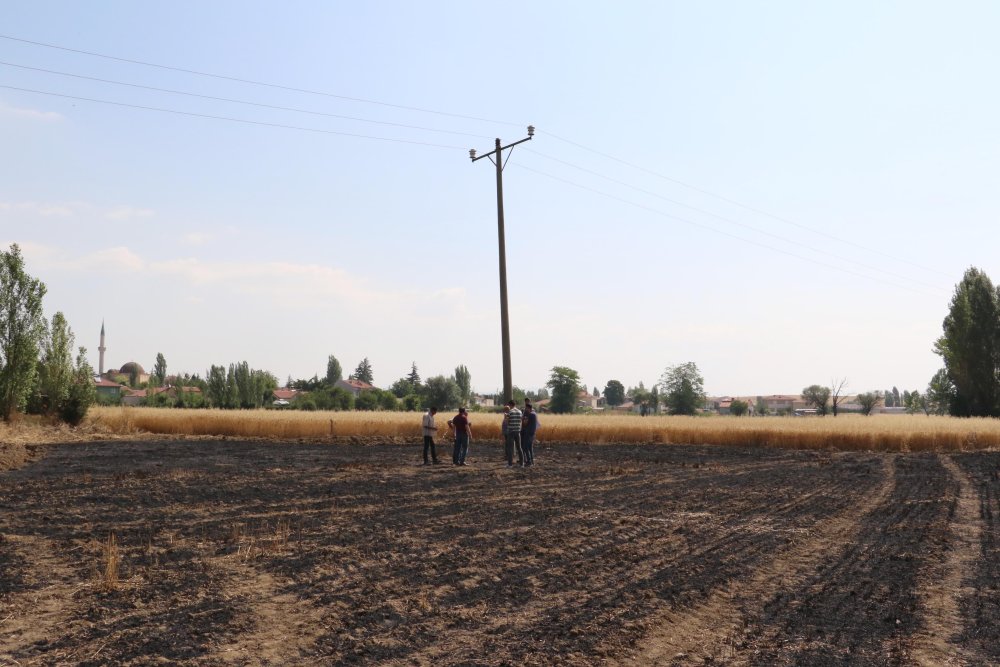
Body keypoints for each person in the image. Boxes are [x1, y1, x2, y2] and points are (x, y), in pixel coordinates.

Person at [503, 400, 524, 467]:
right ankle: (522, 464)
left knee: (510, 448)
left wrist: (505, 416)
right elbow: (521, 421)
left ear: (510, 405)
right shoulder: (520, 412)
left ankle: (510, 464)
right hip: (518, 431)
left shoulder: (510, 412)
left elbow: (507, 422)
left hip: (511, 431)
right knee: (519, 448)